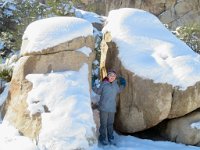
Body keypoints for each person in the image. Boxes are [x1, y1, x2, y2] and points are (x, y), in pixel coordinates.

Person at [93, 70, 126, 145]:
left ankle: (111, 137)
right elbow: (98, 91)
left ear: (115, 78)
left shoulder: (115, 85)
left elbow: (119, 90)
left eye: (114, 76)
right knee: (103, 124)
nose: (112, 77)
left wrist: (123, 84)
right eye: (111, 75)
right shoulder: (104, 84)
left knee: (110, 124)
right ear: (108, 76)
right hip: (103, 108)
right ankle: (103, 138)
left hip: (112, 109)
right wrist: (93, 85)